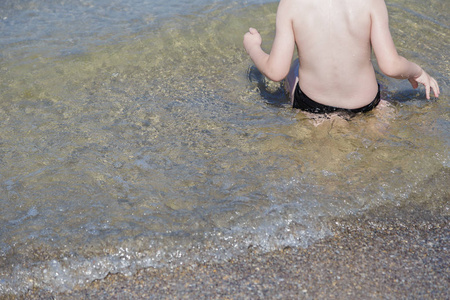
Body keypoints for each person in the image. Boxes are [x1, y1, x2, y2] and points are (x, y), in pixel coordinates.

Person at [243, 0, 440, 114]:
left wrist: (253, 48)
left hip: (312, 105)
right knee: (375, 76)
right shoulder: (371, 2)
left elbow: (275, 71)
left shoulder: (291, 4)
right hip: (366, 104)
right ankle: (381, 109)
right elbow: (391, 66)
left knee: (294, 68)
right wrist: (418, 71)